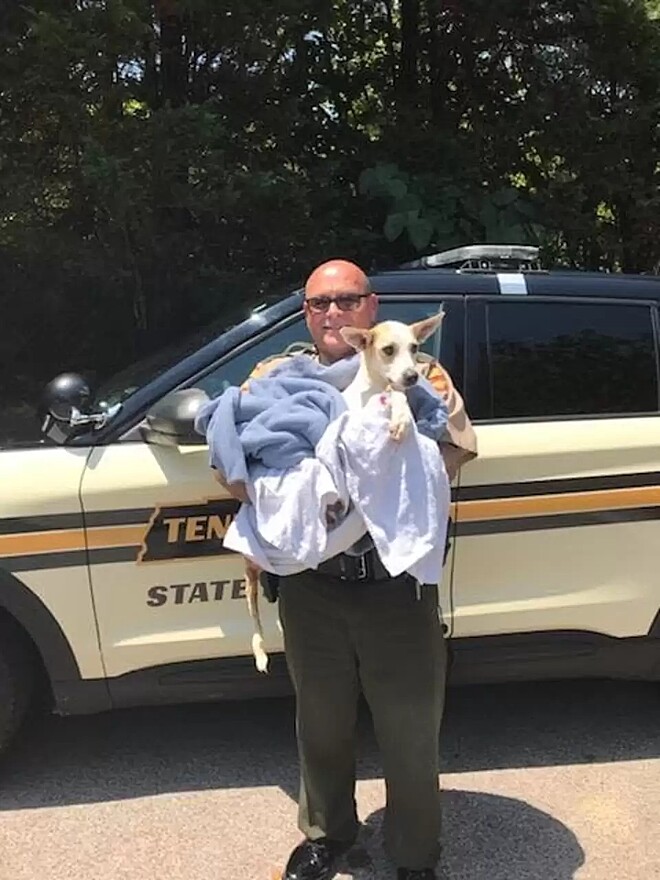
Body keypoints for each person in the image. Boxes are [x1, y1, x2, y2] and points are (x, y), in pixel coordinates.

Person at [219, 259, 477, 880]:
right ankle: (327, 836)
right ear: (305, 313)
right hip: (312, 584)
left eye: (346, 299)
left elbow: (457, 449)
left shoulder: (418, 368)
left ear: (371, 306)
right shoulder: (276, 374)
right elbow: (240, 455)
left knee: (411, 729)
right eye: (318, 303)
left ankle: (416, 856)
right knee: (321, 721)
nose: (332, 312)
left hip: (395, 585)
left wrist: (382, 466)